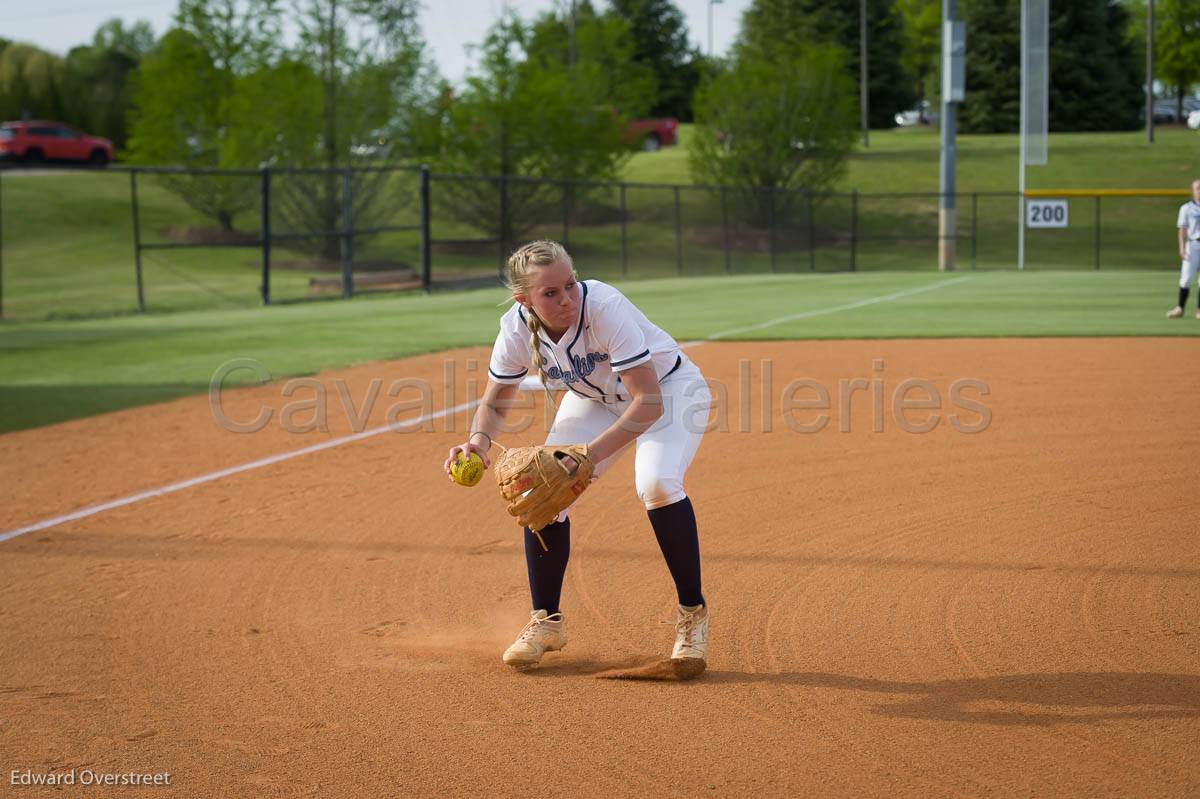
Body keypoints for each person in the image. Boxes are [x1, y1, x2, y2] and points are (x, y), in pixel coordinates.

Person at [442, 240, 713, 671]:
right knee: (540, 486)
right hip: (596, 399)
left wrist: (585, 458)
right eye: (550, 293)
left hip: (669, 392)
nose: (566, 298)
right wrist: (476, 442)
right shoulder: (515, 326)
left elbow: (648, 403)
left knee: (658, 484)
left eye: (569, 284)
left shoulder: (603, 306)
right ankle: (546, 621)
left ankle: (692, 616)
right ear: (524, 300)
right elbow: (495, 402)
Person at [1167, 179, 1200, 319]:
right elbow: (1182, 229)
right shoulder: (1186, 208)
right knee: (1186, 278)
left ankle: (1199, 310)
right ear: (1193, 191)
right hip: (1192, 245)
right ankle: (1180, 308)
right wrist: (1181, 248)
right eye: (1198, 188)